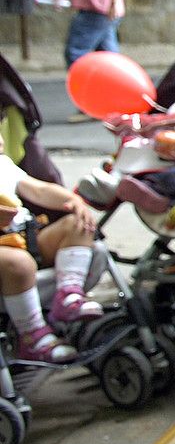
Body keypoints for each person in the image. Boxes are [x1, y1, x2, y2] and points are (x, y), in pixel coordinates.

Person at [0, 130, 102, 363]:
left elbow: (38, 190)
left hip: (25, 237)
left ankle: (69, 295)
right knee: (19, 262)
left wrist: (72, 200)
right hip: (6, 256)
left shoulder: (3, 165)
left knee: (78, 224)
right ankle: (31, 337)